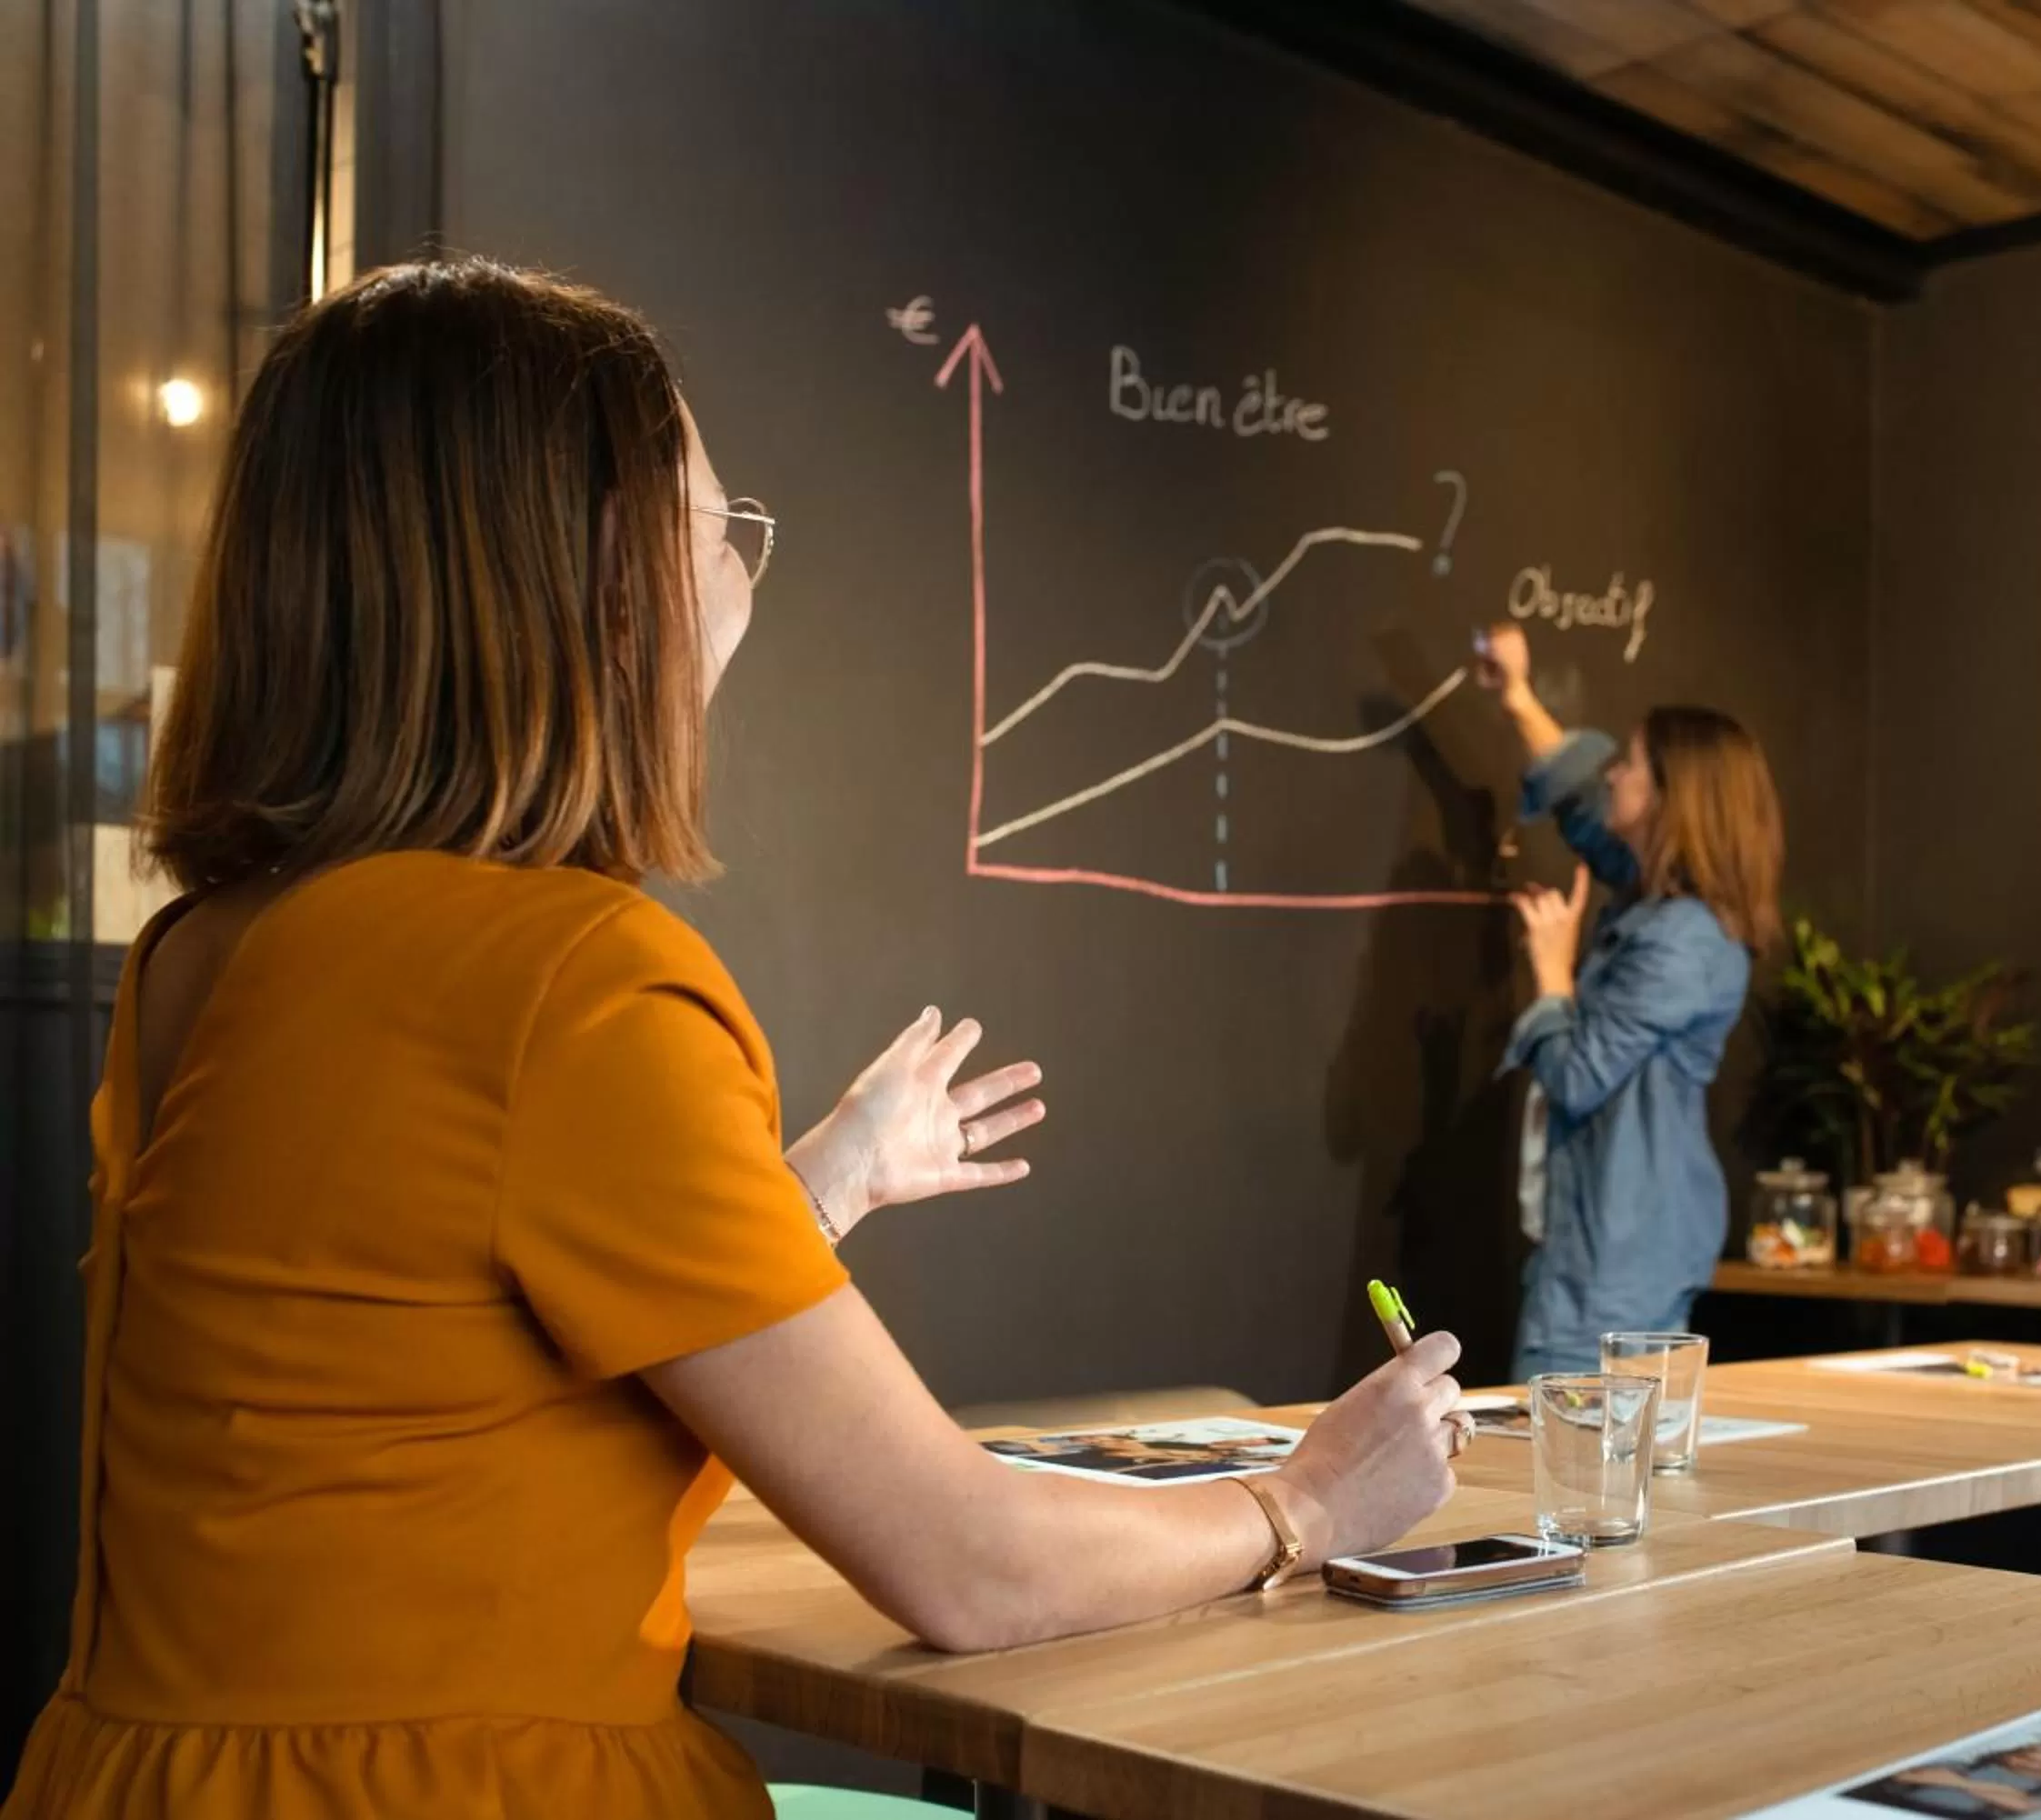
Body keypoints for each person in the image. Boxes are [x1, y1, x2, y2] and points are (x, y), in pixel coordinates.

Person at [3, 258, 1467, 1820]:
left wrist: (814, 1185)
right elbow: (968, 1562)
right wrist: (1304, 1498)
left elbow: (426, 1350)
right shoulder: (574, 979)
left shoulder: (201, 957)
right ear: (603, 586)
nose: (746, 586)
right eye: (724, 530)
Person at [1473, 625, 1785, 1379]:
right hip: (1616, 1248)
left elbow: (1578, 1074)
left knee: (1572, 1471)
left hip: (1613, 1264)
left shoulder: (1683, 940)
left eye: (1631, 764)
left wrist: (1552, 973)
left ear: (1669, 800)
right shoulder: (1665, 901)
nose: (1613, 774)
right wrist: (1517, 695)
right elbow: (1579, 796)